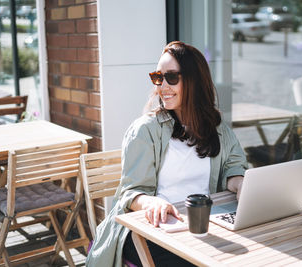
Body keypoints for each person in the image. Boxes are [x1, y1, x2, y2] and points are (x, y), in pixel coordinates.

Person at [86, 41, 248, 267]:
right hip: (150, 231)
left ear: (195, 81)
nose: (162, 86)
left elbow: (234, 164)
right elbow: (131, 193)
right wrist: (152, 203)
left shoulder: (218, 129)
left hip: (202, 227)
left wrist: (238, 182)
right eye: (157, 77)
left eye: (171, 77)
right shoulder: (145, 131)